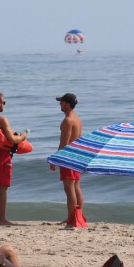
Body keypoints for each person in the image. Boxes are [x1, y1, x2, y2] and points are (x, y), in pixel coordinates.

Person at [0, 92, 28, 226]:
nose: (4, 105)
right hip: (3, 155)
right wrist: (23, 136)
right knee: (3, 188)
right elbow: (12, 139)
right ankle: (2, 219)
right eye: (3, 102)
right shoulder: (2, 120)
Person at [49, 93, 84, 221]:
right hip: (77, 155)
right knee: (76, 187)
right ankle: (78, 216)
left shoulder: (68, 121)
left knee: (69, 189)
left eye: (62, 102)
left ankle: (72, 218)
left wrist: (54, 160)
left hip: (68, 157)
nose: (60, 104)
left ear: (67, 105)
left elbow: (64, 144)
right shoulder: (78, 119)